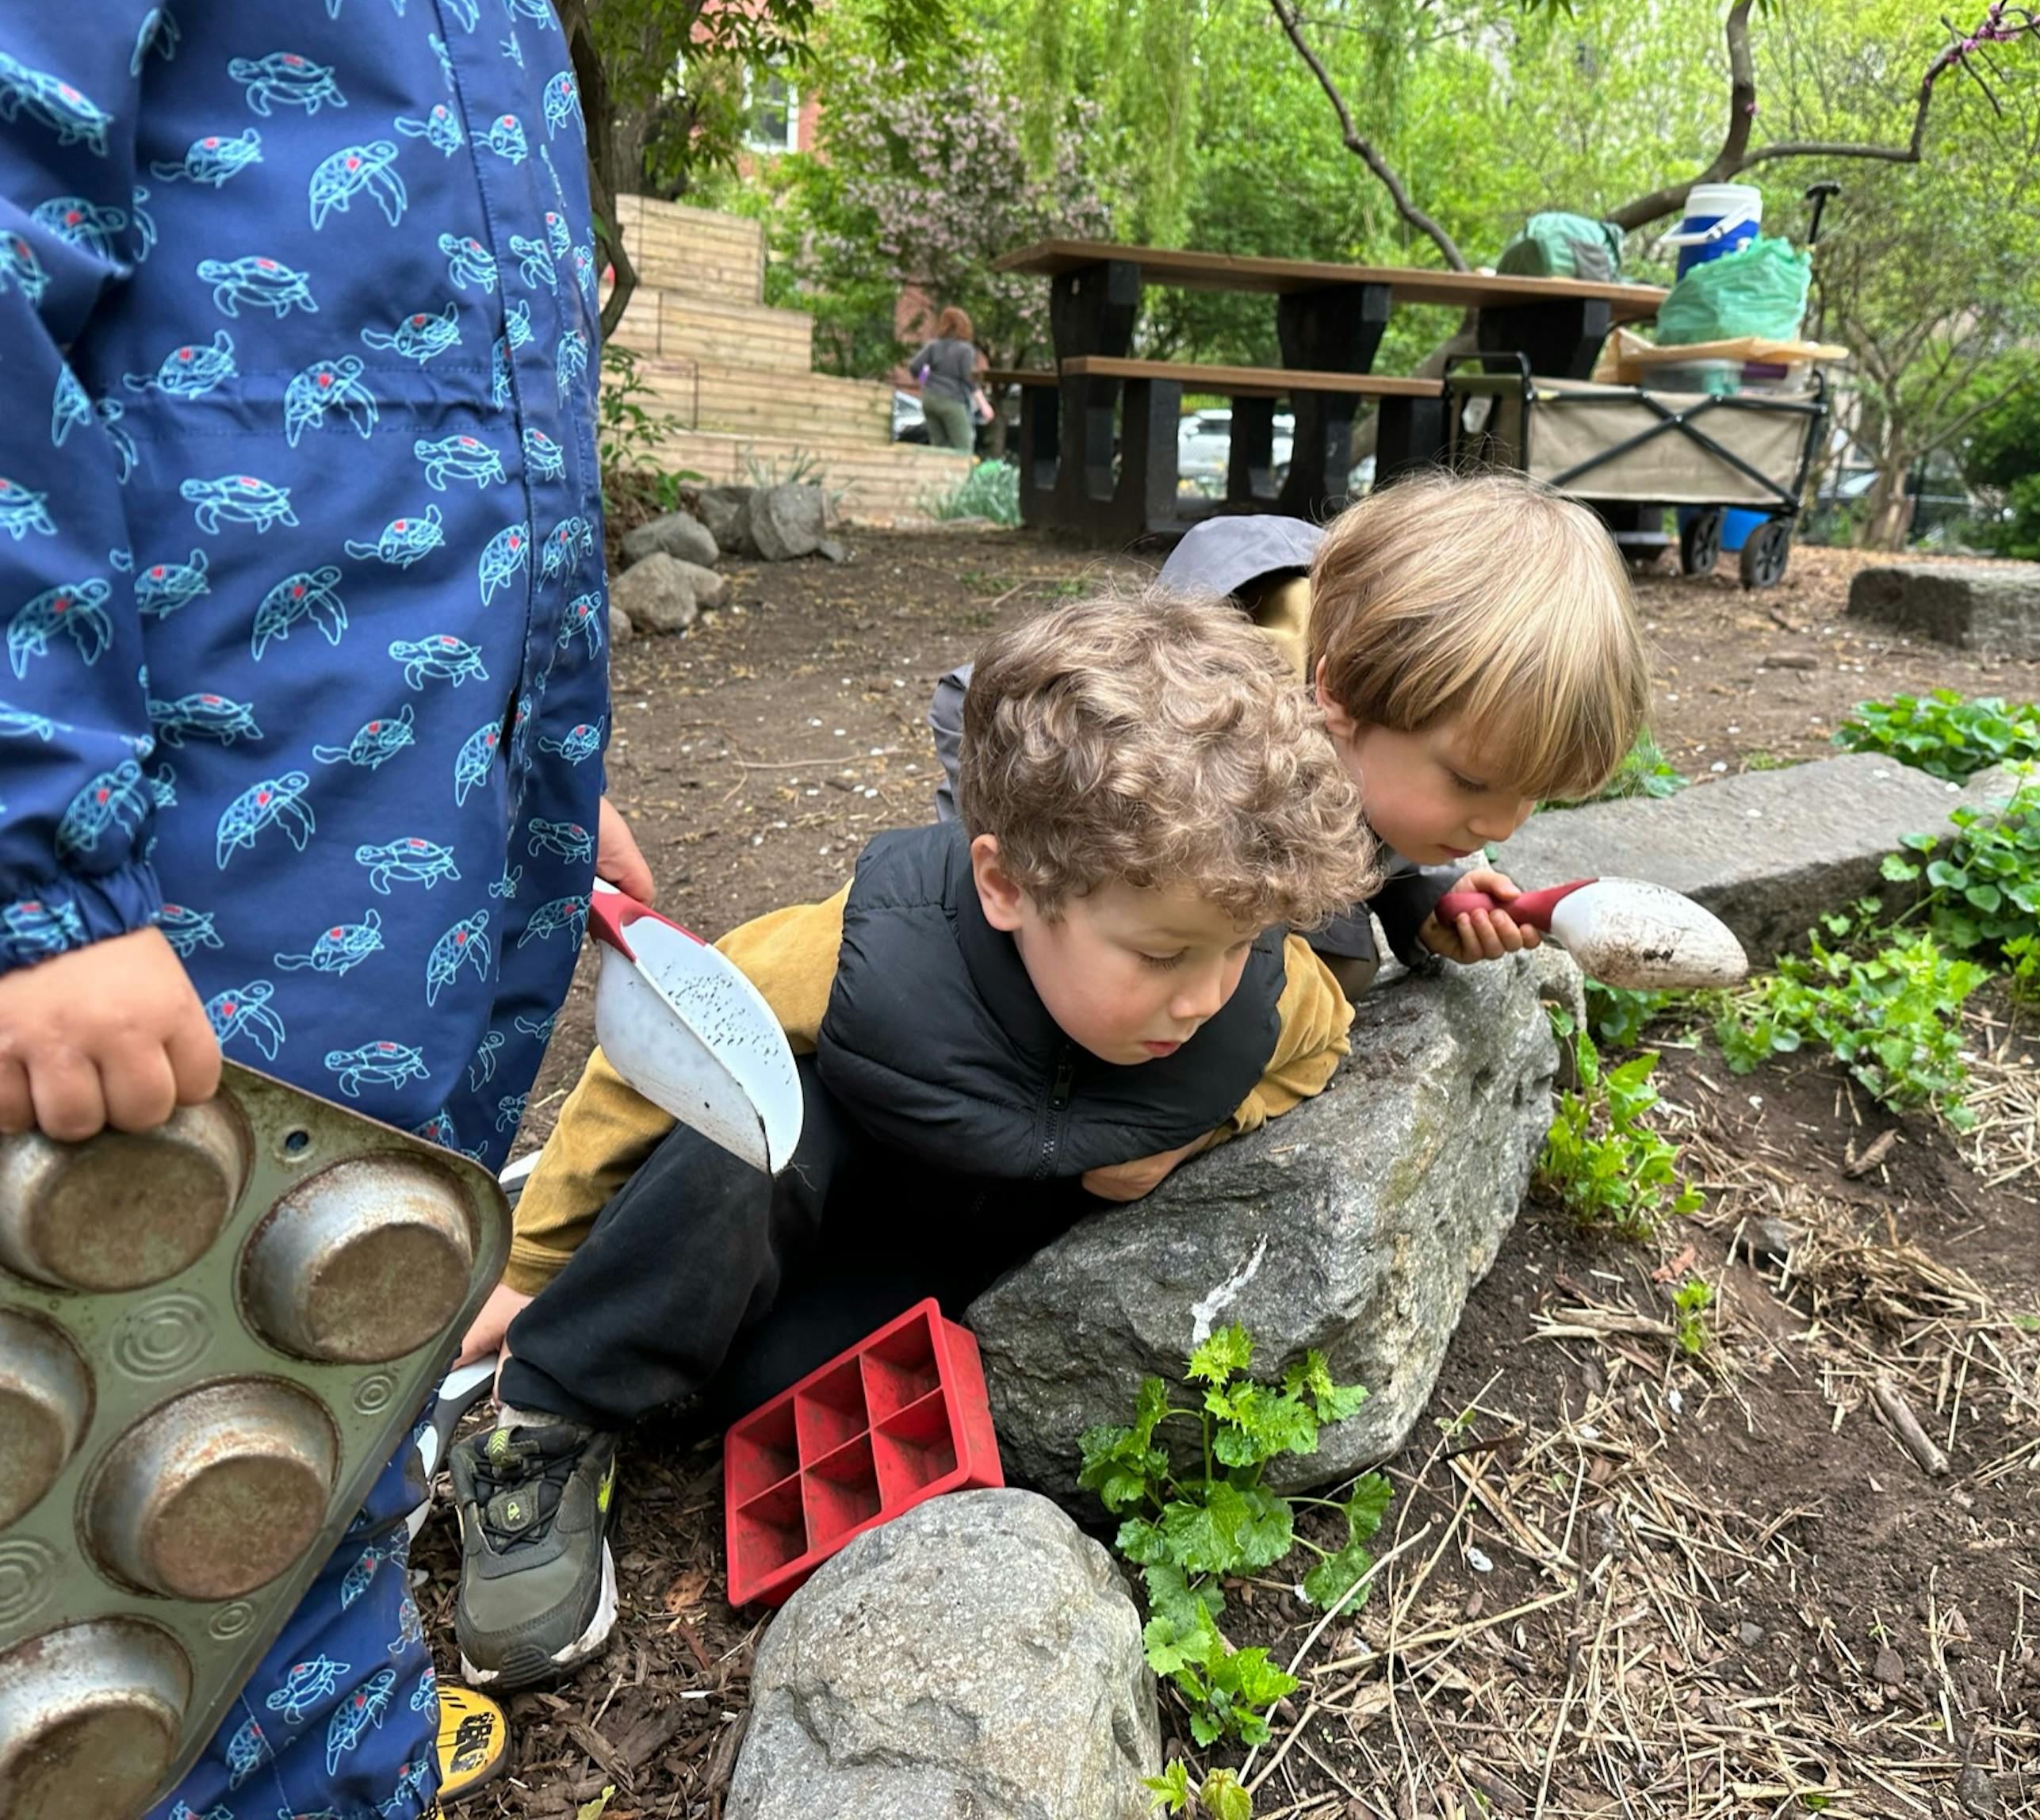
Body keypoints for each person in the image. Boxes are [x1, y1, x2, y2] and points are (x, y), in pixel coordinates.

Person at [0, 4, 633, 1816]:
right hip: (158, 883)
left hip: (387, 860)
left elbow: (453, 407)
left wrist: (526, 752)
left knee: (314, 1402)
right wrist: (37, 860)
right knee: (103, 1471)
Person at [438, 589, 1376, 1686]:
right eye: (1164, 954)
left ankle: (680, 1341)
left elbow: (1319, 1043)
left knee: (747, 1397)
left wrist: (1201, 1131)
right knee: (745, 1142)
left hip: (922, 1267)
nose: (1206, 995)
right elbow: (649, 1053)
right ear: (1008, 882)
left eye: (1240, 944)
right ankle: (551, 1406)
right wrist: (531, 1264)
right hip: (816, 1183)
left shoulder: (1256, 990)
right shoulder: (864, 956)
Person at [929, 471, 1652, 996]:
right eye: (1470, 782)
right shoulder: (1196, 728)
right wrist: (1043, 895)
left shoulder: (1374, 717)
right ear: (1339, 696)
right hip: (1102, 802)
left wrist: (1425, 892)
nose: (1501, 825)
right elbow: (976, 704)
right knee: (1311, 969)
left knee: (1330, 970)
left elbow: (1371, 778)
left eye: (1534, 793)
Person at [909, 304, 986, 453]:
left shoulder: (933, 346)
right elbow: (968, 378)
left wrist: (924, 380)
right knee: (963, 447)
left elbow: (915, 366)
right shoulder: (965, 350)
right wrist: (983, 404)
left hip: (929, 400)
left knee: (939, 448)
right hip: (952, 400)